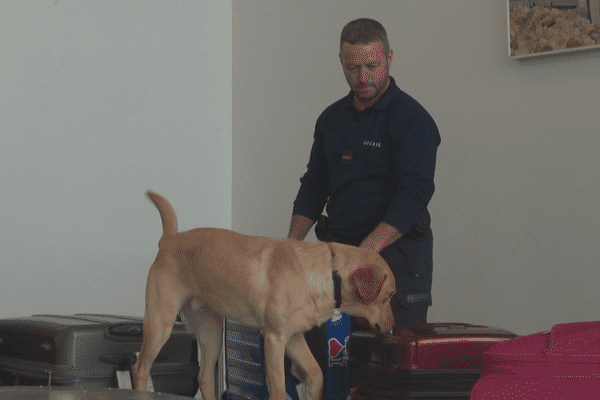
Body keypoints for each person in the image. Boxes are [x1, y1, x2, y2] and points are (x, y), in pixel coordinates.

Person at [287, 18, 440, 328]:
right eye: (352, 68)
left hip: (394, 259)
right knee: (336, 356)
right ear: (341, 61)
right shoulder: (331, 119)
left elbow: (415, 194)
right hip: (339, 256)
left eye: (372, 66)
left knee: (389, 357)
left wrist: (365, 253)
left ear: (389, 57)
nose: (363, 77)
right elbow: (314, 184)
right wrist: (291, 246)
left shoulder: (412, 119)